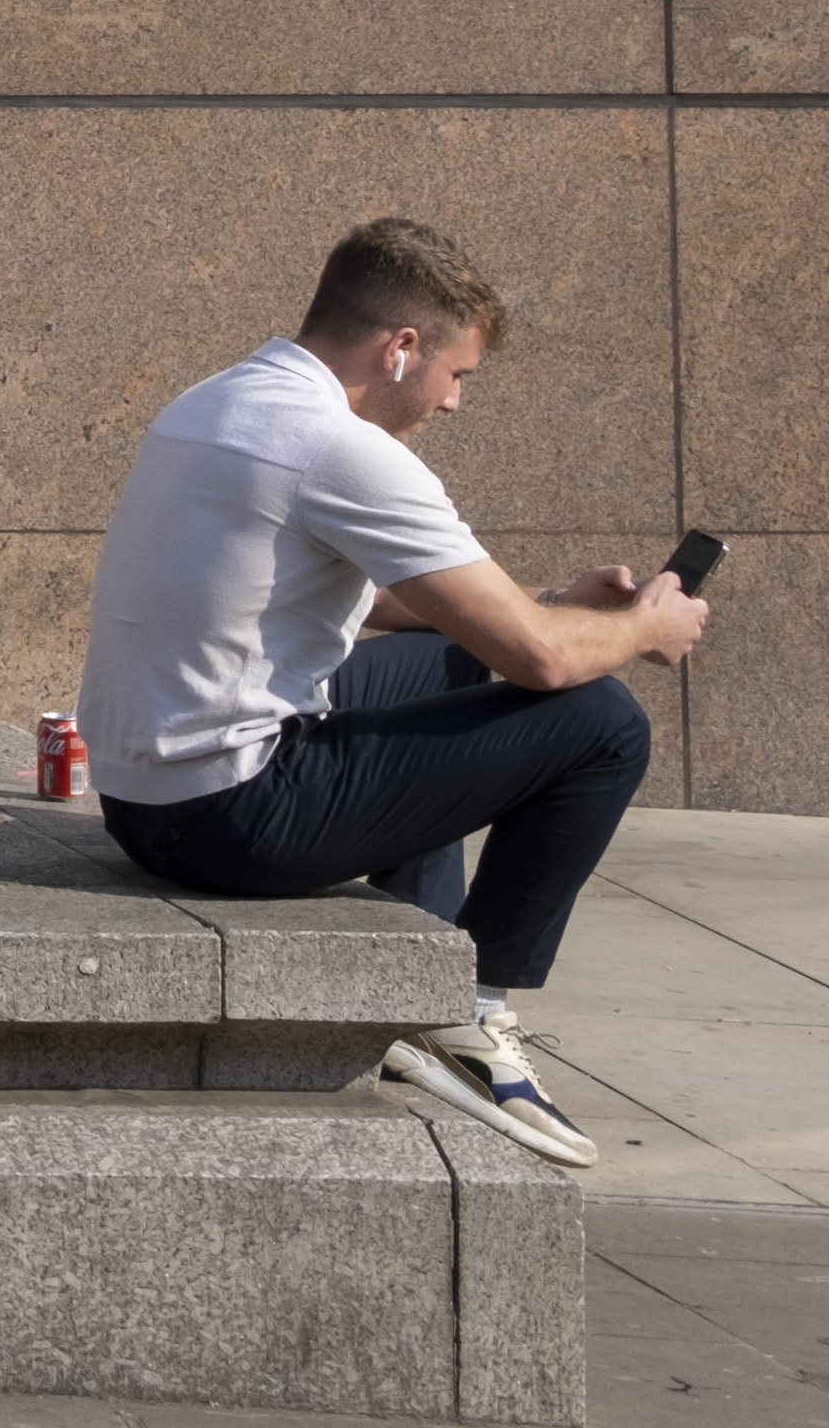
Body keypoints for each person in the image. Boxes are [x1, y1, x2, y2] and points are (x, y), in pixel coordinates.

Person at [74, 216, 708, 1168]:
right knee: (599, 719)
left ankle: (413, 960)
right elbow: (540, 660)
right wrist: (640, 629)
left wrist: (533, 607)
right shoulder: (342, 446)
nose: (453, 402)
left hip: (144, 790)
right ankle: (469, 1009)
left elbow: (357, 596)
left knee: (463, 659)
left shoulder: (220, 401)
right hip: (227, 816)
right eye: (457, 375)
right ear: (400, 348)